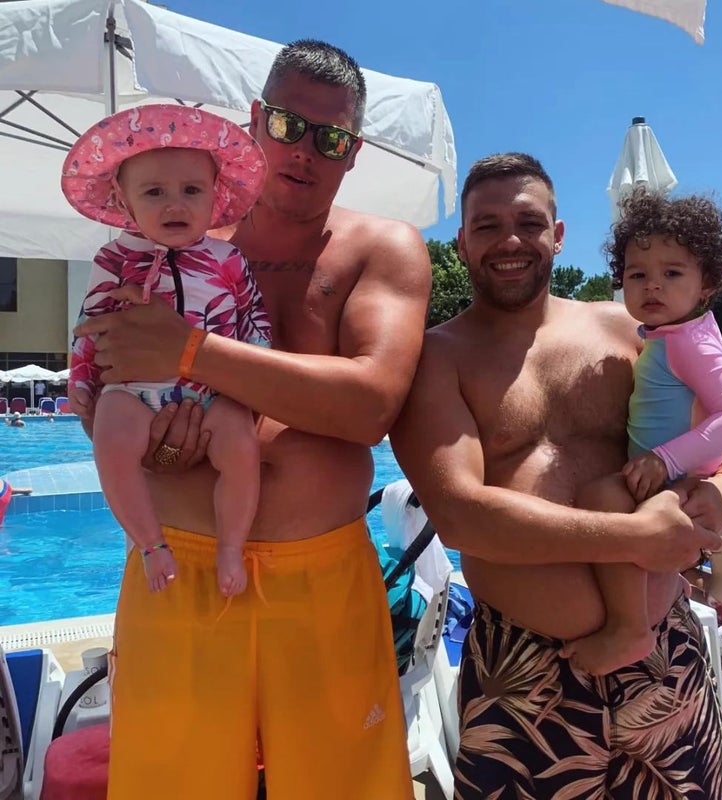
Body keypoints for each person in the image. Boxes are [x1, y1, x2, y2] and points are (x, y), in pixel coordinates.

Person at [72, 40, 430, 800]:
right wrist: (153, 441)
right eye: (289, 126)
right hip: (178, 568)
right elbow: (100, 391)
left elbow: (369, 406)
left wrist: (190, 352)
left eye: (330, 138)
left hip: (324, 574)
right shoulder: (159, 243)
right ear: (255, 122)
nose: (305, 152)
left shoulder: (382, 247)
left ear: (353, 152)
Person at [390, 152, 722, 799]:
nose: (510, 241)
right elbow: (460, 513)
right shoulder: (437, 359)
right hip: (524, 673)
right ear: (461, 242)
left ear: (558, 235)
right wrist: (635, 538)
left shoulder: (632, 329)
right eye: (487, 226)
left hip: (663, 654)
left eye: (529, 223)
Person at [63, 104, 271, 597]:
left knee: (242, 448)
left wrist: (257, 377)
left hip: (211, 390)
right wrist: (81, 380)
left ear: (215, 195)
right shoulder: (114, 259)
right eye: (154, 192)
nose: (174, 205)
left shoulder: (227, 258)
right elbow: (89, 326)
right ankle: (151, 543)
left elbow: (252, 315)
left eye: (191, 191)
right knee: (110, 441)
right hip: (132, 391)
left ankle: (230, 546)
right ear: (124, 200)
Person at [558, 190, 722, 675]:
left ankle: (629, 629)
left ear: (707, 283)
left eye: (673, 273)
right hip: (673, 475)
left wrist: (665, 459)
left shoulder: (690, 343)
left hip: (677, 479)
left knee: (603, 499)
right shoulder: (671, 335)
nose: (653, 286)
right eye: (637, 274)